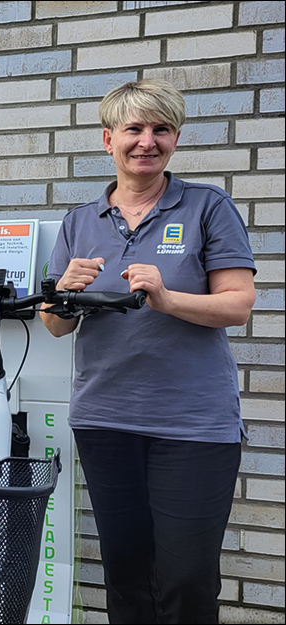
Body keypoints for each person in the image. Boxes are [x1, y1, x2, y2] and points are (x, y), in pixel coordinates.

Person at [40, 80, 255, 623]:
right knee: (127, 572)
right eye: (133, 129)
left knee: (186, 577)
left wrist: (167, 297)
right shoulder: (79, 222)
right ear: (108, 138)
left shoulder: (208, 207)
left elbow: (237, 305)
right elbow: (56, 326)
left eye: (160, 129)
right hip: (106, 419)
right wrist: (64, 294)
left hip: (194, 425)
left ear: (175, 140)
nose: (146, 141)